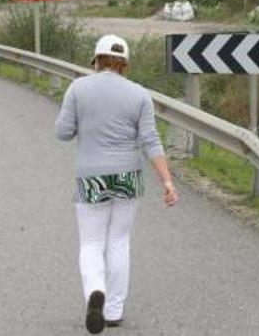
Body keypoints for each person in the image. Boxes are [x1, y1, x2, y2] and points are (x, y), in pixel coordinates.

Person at [55, 34, 179, 334]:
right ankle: (113, 310)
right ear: (124, 63)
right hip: (128, 176)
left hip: (91, 176)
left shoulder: (78, 88)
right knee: (119, 241)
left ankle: (95, 291)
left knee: (92, 242)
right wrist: (167, 181)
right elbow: (150, 140)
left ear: (96, 60)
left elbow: (62, 132)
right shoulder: (139, 94)